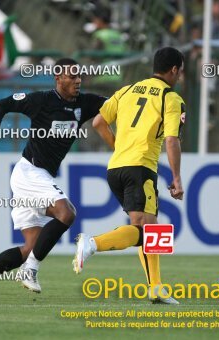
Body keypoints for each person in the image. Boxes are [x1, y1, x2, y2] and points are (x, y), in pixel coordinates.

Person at [0, 58, 107, 299]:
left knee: (29, 249)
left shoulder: (86, 103)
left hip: (38, 176)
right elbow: (0, 105)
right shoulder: (41, 100)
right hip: (29, 172)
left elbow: (119, 104)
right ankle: (30, 271)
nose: (78, 80)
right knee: (66, 213)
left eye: (79, 76)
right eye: (72, 76)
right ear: (58, 78)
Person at [72, 47, 186, 304]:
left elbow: (99, 122)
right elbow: (171, 139)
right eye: (180, 71)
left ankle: (156, 288)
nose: (179, 77)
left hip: (116, 167)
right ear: (174, 70)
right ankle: (93, 243)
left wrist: (118, 147)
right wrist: (177, 178)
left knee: (149, 228)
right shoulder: (170, 98)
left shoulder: (126, 90)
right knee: (147, 231)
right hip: (141, 168)